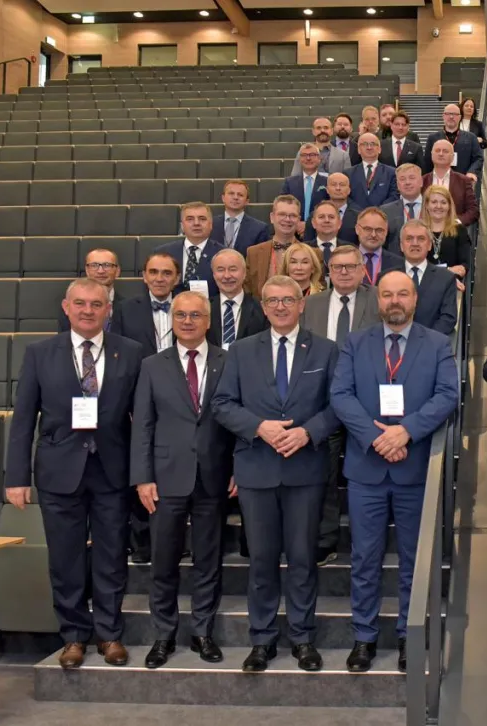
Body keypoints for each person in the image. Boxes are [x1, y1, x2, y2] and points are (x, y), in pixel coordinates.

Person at [6, 279, 144, 669]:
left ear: (108, 310)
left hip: (112, 471)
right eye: (80, 303)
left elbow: (142, 420)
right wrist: (16, 477)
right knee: (65, 559)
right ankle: (72, 636)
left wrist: (142, 472)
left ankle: (109, 634)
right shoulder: (39, 353)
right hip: (58, 471)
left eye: (96, 304)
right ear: (66, 307)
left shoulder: (130, 352)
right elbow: (23, 419)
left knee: (111, 557)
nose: (88, 311)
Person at [330, 270, 459, 673]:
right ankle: (364, 637)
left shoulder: (437, 343)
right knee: (364, 558)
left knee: (413, 560)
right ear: (378, 300)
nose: (395, 301)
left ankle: (409, 635)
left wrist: (406, 431)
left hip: (415, 469)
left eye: (403, 294)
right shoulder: (355, 343)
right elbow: (340, 395)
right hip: (366, 469)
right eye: (387, 294)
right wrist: (376, 437)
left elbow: (448, 394)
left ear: (415, 299)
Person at [212, 275, 340, 673]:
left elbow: (339, 405)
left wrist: (308, 432)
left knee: (302, 559)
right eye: (272, 301)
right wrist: (258, 427)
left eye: (288, 300)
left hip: (305, 470)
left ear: (302, 304)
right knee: (262, 561)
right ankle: (262, 640)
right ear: (263, 307)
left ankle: (302, 638)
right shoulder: (240, 350)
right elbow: (222, 403)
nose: (281, 307)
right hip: (257, 469)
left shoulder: (326, 350)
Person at [131, 291, 232, 669]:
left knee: (208, 560)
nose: (187, 322)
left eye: (195, 315)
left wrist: (237, 467)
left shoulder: (228, 361)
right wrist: (142, 478)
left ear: (209, 321)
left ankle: (202, 632)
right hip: (165, 477)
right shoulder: (152, 366)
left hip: (213, 475)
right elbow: (142, 425)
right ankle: (164, 635)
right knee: (163, 560)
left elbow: (237, 420)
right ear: (172, 321)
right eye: (181, 315)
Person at [300, 244, 382, 564]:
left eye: (350, 267)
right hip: (323, 402)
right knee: (324, 473)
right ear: (329, 272)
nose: (344, 272)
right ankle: (325, 539)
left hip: (367, 403)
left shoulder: (378, 300)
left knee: (369, 475)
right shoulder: (311, 304)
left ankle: (370, 542)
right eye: (337, 267)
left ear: (363, 271)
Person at [112, 252, 180, 364]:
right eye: (153, 272)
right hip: (138, 372)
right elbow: (116, 349)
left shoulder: (189, 308)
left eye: (167, 273)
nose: (159, 279)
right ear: (144, 276)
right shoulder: (124, 309)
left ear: (177, 278)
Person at [398, 220, 458, 335]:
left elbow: (448, 318)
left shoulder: (446, 278)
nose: (415, 243)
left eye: (421, 239)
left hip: (432, 342)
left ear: (430, 245)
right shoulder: (387, 277)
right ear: (401, 245)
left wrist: (425, 340)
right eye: (409, 239)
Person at [155, 201, 226, 297]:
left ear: (211, 225)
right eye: (190, 219)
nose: (196, 223)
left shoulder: (224, 254)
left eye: (202, 219)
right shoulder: (163, 253)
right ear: (182, 226)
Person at [245, 195, 306, 299]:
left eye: (293, 215)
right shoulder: (253, 253)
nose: (287, 219)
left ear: (298, 220)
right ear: (272, 217)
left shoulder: (311, 253)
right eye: (282, 214)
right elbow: (247, 292)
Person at [207, 248, 268, 350]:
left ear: (244, 273)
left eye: (233, 269)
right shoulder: (205, 308)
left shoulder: (261, 309)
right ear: (213, 275)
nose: (227, 276)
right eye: (220, 270)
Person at [58, 248, 122, 332]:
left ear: (117, 271)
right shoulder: (71, 304)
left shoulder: (128, 307)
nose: (100, 271)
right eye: (94, 265)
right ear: (87, 270)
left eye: (107, 265)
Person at [421, 185, 471, 284]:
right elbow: (417, 265)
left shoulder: (459, 230)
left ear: (449, 206)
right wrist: (447, 270)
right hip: (423, 284)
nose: (439, 206)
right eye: (434, 202)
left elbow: (463, 267)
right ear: (426, 205)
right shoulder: (419, 230)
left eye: (443, 202)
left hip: (451, 283)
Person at [424, 138, 480, 225]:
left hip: (454, 230)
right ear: (431, 154)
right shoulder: (422, 181)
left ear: (453, 157)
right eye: (437, 150)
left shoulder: (464, 181)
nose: (441, 154)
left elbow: (473, 211)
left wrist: (455, 223)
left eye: (445, 151)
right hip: (427, 230)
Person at [209, 180, 272, 255]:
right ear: (223, 198)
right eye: (231, 193)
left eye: (240, 195)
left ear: (247, 201)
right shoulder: (210, 223)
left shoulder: (259, 229)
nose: (235, 197)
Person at [423, 104, 483, 181]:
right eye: (448, 114)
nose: (451, 117)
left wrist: (472, 172)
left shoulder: (471, 137)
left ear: (460, 117)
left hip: (463, 180)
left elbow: (478, 158)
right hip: (439, 182)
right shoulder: (433, 138)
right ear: (443, 116)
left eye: (455, 114)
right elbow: (427, 162)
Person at [282, 144, 331, 232]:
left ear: (319, 159)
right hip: (293, 230)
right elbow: (283, 206)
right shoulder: (289, 182)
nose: (308, 158)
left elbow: (331, 207)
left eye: (312, 155)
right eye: (304, 155)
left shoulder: (328, 182)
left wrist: (308, 224)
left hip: (321, 230)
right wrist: (296, 223)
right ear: (299, 159)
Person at [355, 207, 406, 286]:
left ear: (386, 232)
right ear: (357, 229)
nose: (373, 235)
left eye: (379, 230)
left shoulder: (399, 263)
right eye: (368, 229)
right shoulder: (345, 260)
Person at [347, 133, 399, 209]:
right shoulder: (348, 174)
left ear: (379, 149)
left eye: (373, 144)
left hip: (384, 214)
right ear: (358, 150)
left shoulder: (392, 173)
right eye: (364, 144)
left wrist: (378, 211)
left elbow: (394, 195)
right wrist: (358, 212)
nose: (369, 147)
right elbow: (346, 196)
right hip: (356, 214)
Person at [381, 164, 425, 253]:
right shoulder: (385, 211)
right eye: (402, 179)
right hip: (396, 260)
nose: (407, 182)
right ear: (397, 185)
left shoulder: (432, 208)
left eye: (412, 178)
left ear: (421, 182)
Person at [309, 200, 348, 267]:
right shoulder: (304, 249)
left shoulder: (349, 249)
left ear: (339, 223)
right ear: (313, 223)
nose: (327, 220)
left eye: (331, 217)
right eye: (321, 217)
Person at [325, 172, 360, 245]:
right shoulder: (316, 215)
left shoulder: (359, 217)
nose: (338, 188)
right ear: (327, 189)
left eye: (342, 185)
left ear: (349, 190)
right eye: (334, 184)